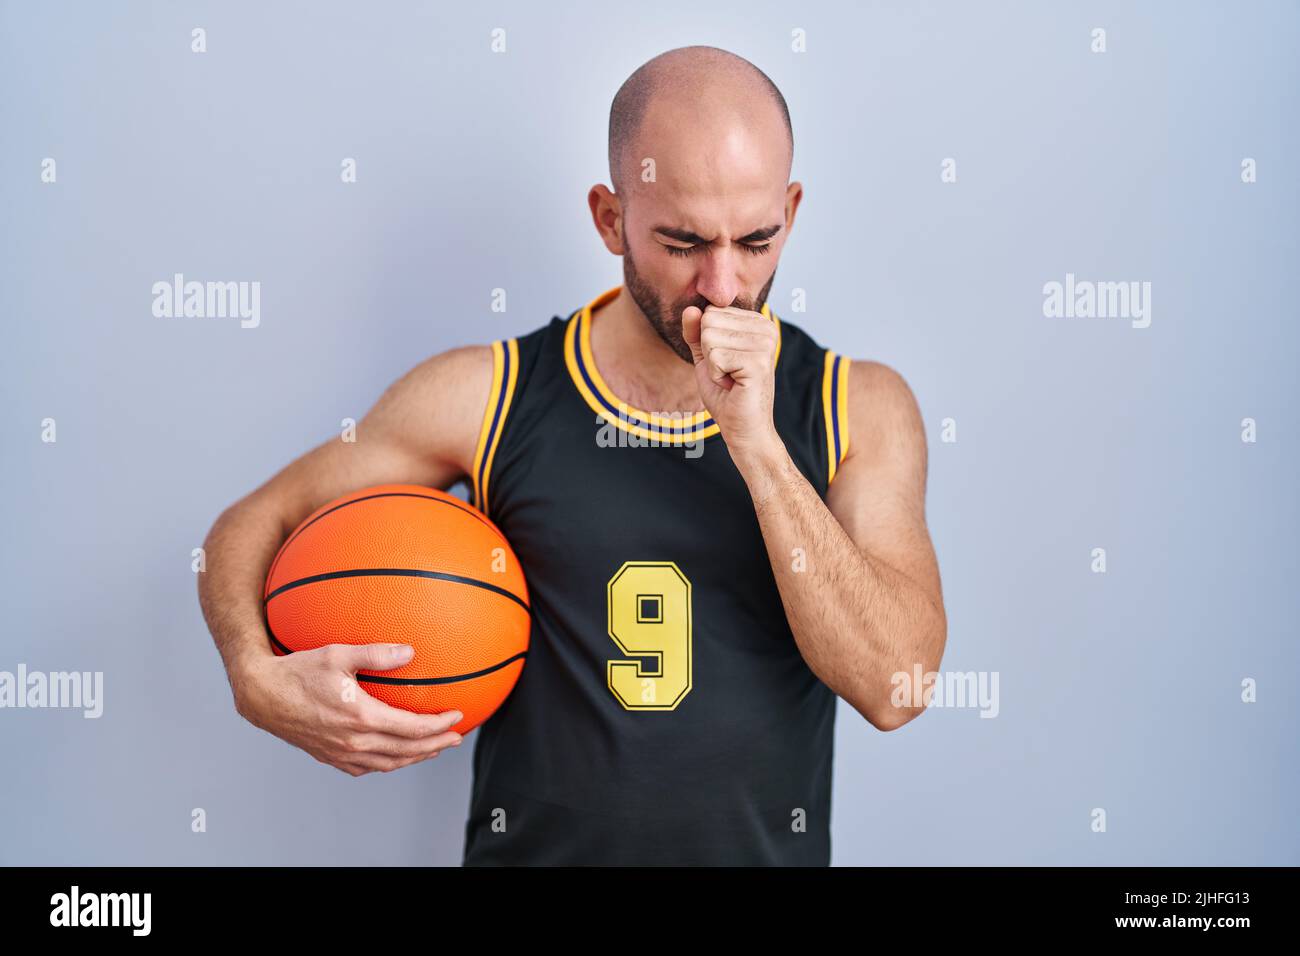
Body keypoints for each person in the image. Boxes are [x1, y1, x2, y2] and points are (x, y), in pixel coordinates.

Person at [197, 45, 946, 865]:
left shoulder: (856, 406)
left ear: (792, 211)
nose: (725, 285)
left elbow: (894, 686)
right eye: (684, 241)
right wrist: (252, 673)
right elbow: (253, 522)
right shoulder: (490, 394)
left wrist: (759, 447)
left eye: (757, 240)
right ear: (610, 218)